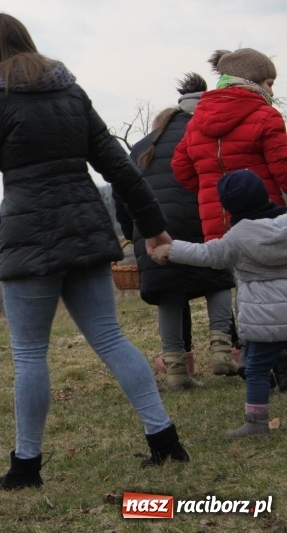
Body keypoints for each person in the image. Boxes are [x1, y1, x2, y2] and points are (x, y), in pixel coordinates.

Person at [0, 13, 189, 490]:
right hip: (84, 229)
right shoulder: (69, 91)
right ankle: (165, 441)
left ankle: (26, 468)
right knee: (110, 337)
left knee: (29, 354)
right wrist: (153, 228)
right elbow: (118, 166)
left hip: (30, 236)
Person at [114, 73, 237, 389]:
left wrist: (134, 234)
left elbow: (122, 195)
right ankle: (222, 351)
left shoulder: (143, 146)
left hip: (153, 230)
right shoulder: (207, 133)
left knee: (168, 291)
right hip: (202, 219)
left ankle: (177, 371)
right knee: (217, 278)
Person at [171, 47, 287, 372]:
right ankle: (279, 362)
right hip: (266, 219)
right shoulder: (266, 116)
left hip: (222, 223)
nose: (271, 91)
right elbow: (283, 169)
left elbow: (181, 168)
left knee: (247, 290)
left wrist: (214, 192)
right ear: (251, 81)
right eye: (269, 83)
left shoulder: (197, 122)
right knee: (277, 285)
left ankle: (253, 359)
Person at [152, 169, 287, 439]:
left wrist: (170, 249)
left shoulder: (238, 237)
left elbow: (206, 254)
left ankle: (256, 422)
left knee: (257, 368)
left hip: (264, 320)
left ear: (229, 207)